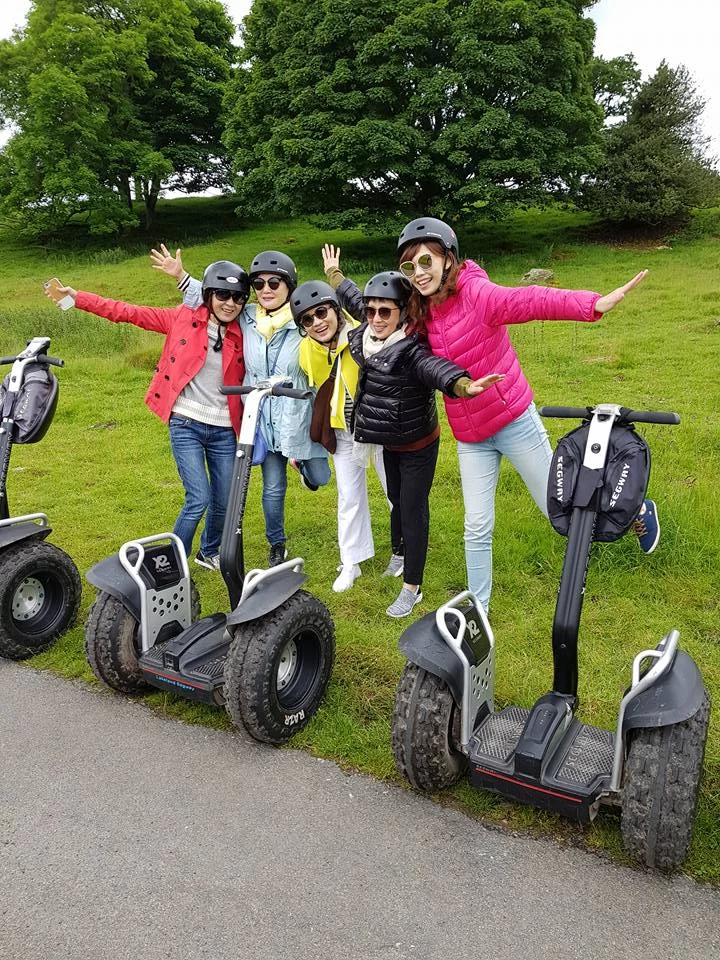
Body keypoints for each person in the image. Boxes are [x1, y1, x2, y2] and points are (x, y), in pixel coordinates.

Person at [392, 216, 657, 611]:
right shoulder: (420, 310)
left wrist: (592, 304)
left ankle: (636, 508)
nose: (418, 274)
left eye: (426, 262)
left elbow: (529, 300)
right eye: (409, 267)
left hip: (514, 421)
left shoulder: (476, 293)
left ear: (448, 259)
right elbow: (376, 314)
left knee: (560, 510)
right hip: (470, 436)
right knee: (476, 526)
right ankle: (478, 609)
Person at [320, 254, 503, 617]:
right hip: (388, 438)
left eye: (384, 312)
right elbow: (352, 296)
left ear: (403, 313)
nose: (374, 318)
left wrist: (463, 385)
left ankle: (412, 587)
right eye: (370, 312)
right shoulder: (369, 333)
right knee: (396, 501)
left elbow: (435, 369)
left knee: (413, 508)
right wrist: (334, 273)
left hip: (419, 443)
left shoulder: (413, 349)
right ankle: (399, 553)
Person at [46, 262, 249, 571]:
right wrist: (77, 297)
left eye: (237, 297)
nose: (230, 303)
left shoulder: (245, 332)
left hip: (224, 428)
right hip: (186, 423)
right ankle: (173, 564)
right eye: (222, 295)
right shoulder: (181, 319)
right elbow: (127, 312)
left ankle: (208, 551)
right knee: (199, 498)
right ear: (209, 295)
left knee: (223, 500)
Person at [150, 245, 331, 567]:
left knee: (321, 475)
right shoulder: (246, 317)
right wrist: (180, 277)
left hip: (295, 416)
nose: (265, 290)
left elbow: (336, 321)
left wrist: (337, 279)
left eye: (274, 283)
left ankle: (304, 467)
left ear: (289, 286)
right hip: (261, 418)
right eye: (258, 284)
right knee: (272, 489)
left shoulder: (304, 320)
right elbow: (215, 299)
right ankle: (277, 544)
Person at [289, 278, 389, 592]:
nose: (317, 322)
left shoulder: (362, 334)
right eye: (308, 319)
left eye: (322, 313)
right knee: (349, 498)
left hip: (378, 428)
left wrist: (338, 276)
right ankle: (351, 562)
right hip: (342, 433)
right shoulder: (305, 351)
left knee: (395, 494)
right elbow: (308, 393)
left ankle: (404, 554)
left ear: (335, 309)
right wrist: (297, 446)